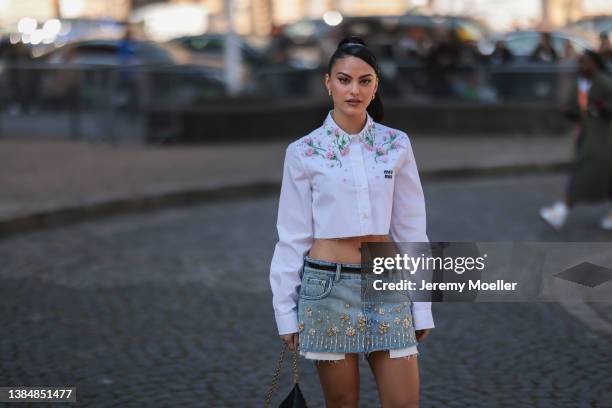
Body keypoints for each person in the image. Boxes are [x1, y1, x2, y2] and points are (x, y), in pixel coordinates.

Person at [269, 36, 434, 407]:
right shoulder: (303, 152)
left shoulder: (397, 145)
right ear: (328, 83)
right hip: (326, 289)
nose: (353, 90)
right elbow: (292, 235)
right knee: (342, 403)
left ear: (376, 85)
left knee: (404, 402)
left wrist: (421, 303)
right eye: (344, 79)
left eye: (364, 80)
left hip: (387, 285)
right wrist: (285, 310)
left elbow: (411, 229)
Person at [540, 50, 612, 230]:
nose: (581, 66)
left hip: (604, 135)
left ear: (595, 64)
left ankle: (561, 210)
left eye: (585, 62)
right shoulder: (580, 84)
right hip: (585, 133)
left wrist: (603, 108)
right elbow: (576, 109)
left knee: (586, 168)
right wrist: (568, 111)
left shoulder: (604, 82)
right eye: (580, 63)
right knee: (607, 175)